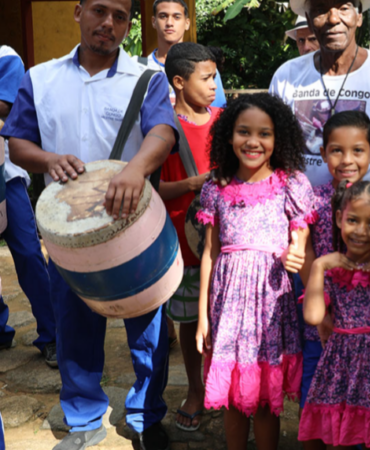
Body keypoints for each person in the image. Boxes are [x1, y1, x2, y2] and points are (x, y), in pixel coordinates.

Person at [1, 0, 178, 446]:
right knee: (74, 324)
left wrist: (135, 169)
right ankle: (83, 419)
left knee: (147, 330)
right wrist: (48, 159)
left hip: (134, 232)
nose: (109, 23)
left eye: (120, 16)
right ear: (78, 12)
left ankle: (145, 418)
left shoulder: (146, 78)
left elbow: (162, 132)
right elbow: (19, 141)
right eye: (100, 11)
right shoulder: (40, 78)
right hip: (70, 235)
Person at [195, 93, 313, 450]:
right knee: (231, 393)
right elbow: (209, 254)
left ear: (278, 139)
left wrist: (296, 251)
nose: (253, 141)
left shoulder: (291, 185)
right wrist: (202, 316)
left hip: (269, 306)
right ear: (229, 136)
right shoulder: (215, 188)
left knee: (264, 396)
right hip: (227, 305)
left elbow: (301, 240)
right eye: (244, 131)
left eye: (265, 133)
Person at [298, 180, 370, 448]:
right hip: (342, 367)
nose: (361, 232)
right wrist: (317, 266)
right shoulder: (328, 269)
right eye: (353, 220)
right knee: (342, 438)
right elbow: (314, 317)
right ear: (340, 219)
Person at [269, 0, 370, 187]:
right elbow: (269, 147)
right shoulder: (287, 76)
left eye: (343, 8)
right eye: (321, 10)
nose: (333, 19)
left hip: (365, 212)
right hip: (300, 211)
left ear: (359, 17)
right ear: (308, 19)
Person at [296, 110, 370, 450]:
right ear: (323, 152)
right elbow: (306, 258)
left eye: (358, 150)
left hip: (368, 327)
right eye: (336, 150)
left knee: (366, 401)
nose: (347, 160)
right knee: (316, 392)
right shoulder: (312, 202)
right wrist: (324, 315)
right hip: (322, 318)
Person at [158, 42, 220, 432]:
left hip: (224, 245)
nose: (215, 85)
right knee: (187, 319)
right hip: (183, 243)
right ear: (179, 82)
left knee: (223, 318)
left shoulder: (226, 121)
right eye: (207, 78)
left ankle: (222, 387)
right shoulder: (163, 130)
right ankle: (196, 389)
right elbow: (152, 188)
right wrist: (191, 183)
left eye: (215, 77)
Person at [0, 45, 58, 367]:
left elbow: (6, 106)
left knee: (28, 254)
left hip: (5, 175)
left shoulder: (6, 56)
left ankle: (52, 335)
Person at [147, 0, 227, 107]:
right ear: (153, 22)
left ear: (187, 23)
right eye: (163, 16)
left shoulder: (206, 69)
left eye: (177, 17)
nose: (169, 23)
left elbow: (217, 114)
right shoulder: (140, 68)